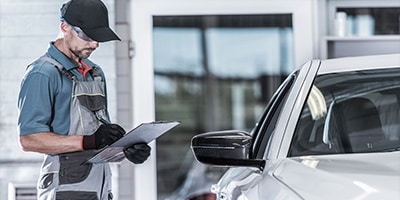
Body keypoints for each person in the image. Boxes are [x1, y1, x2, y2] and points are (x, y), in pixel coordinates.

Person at [17, 0, 151, 199]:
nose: (95, 44)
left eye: (98, 37)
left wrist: (126, 151)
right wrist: (90, 140)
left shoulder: (94, 73)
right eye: (88, 36)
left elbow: (96, 139)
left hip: (100, 188)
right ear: (64, 27)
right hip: (65, 190)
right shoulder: (42, 73)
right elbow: (28, 139)